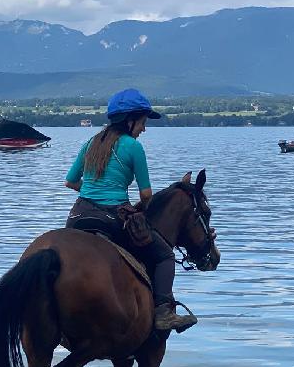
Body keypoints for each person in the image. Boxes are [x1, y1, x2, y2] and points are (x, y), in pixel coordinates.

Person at [64, 88, 197, 333]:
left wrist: (92, 192)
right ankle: (163, 313)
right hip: (112, 217)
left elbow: (70, 182)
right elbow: (146, 194)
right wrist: (141, 210)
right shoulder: (132, 147)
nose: (144, 129)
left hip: (77, 216)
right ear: (130, 120)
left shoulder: (90, 143)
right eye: (143, 122)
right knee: (165, 255)